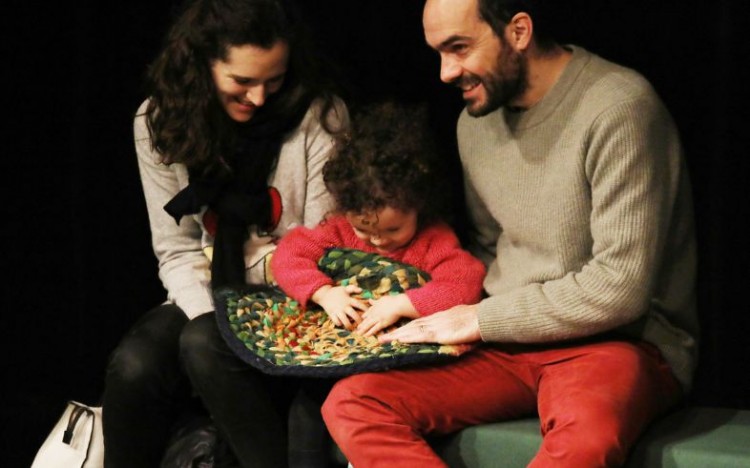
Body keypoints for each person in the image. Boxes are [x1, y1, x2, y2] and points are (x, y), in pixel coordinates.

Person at [321, 0, 699, 467]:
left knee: (583, 441)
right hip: (506, 344)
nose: (444, 72)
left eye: (458, 48)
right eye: (438, 52)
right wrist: (426, 311)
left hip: (616, 342)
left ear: (518, 31)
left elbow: (620, 289)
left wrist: (479, 319)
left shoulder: (618, 107)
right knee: (354, 402)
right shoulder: (474, 125)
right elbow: (487, 249)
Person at [101, 0, 348, 466]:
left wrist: (228, 324)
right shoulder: (158, 122)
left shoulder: (318, 118)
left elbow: (319, 248)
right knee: (136, 366)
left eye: (273, 80)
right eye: (242, 81)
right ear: (202, 64)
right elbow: (176, 250)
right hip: (210, 286)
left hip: (295, 295)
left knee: (204, 346)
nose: (259, 98)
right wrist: (211, 312)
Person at [271, 102, 486, 336]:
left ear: (418, 207)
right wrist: (324, 294)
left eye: (393, 229)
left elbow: (465, 283)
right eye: (362, 229)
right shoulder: (338, 229)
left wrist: (403, 304)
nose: (378, 239)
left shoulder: (434, 240)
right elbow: (287, 255)